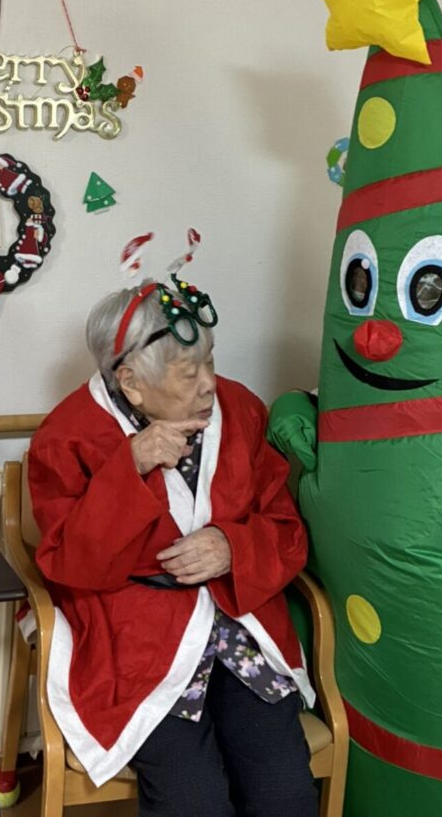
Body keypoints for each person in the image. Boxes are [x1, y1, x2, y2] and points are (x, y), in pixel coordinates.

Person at [28, 276, 318, 817]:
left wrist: (233, 545)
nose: (209, 384)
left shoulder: (241, 409)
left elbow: (285, 526)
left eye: (211, 361)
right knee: (195, 801)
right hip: (135, 640)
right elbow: (69, 563)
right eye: (189, 372)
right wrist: (130, 467)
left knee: (285, 792)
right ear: (131, 382)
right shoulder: (67, 436)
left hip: (238, 621)